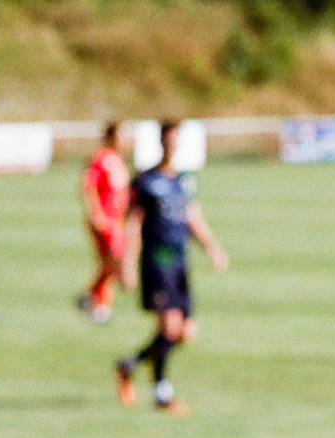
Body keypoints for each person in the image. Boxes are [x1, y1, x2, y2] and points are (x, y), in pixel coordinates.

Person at [114, 120, 228, 416]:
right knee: (168, 327)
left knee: (184, 333)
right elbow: (134, 224)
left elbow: (193, 218)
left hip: (179, 262)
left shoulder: (183, 181)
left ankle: (130, 364)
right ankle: (162, 395)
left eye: (176, 141)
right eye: (167, 140)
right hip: (157, 261)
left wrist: (212, 248)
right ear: (160, 142)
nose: (171, 146)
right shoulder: (145, 181)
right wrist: (127, 263)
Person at [78, 123, 131, 323]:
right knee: (114, 260)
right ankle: (100, 304)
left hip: (117, 221)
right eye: (122, 135)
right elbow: (88, 185)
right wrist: (96, 213)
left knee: (111, 263)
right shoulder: (101, 159)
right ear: (111, 136)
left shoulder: (119, 160)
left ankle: (93, 298)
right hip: (106, 220)